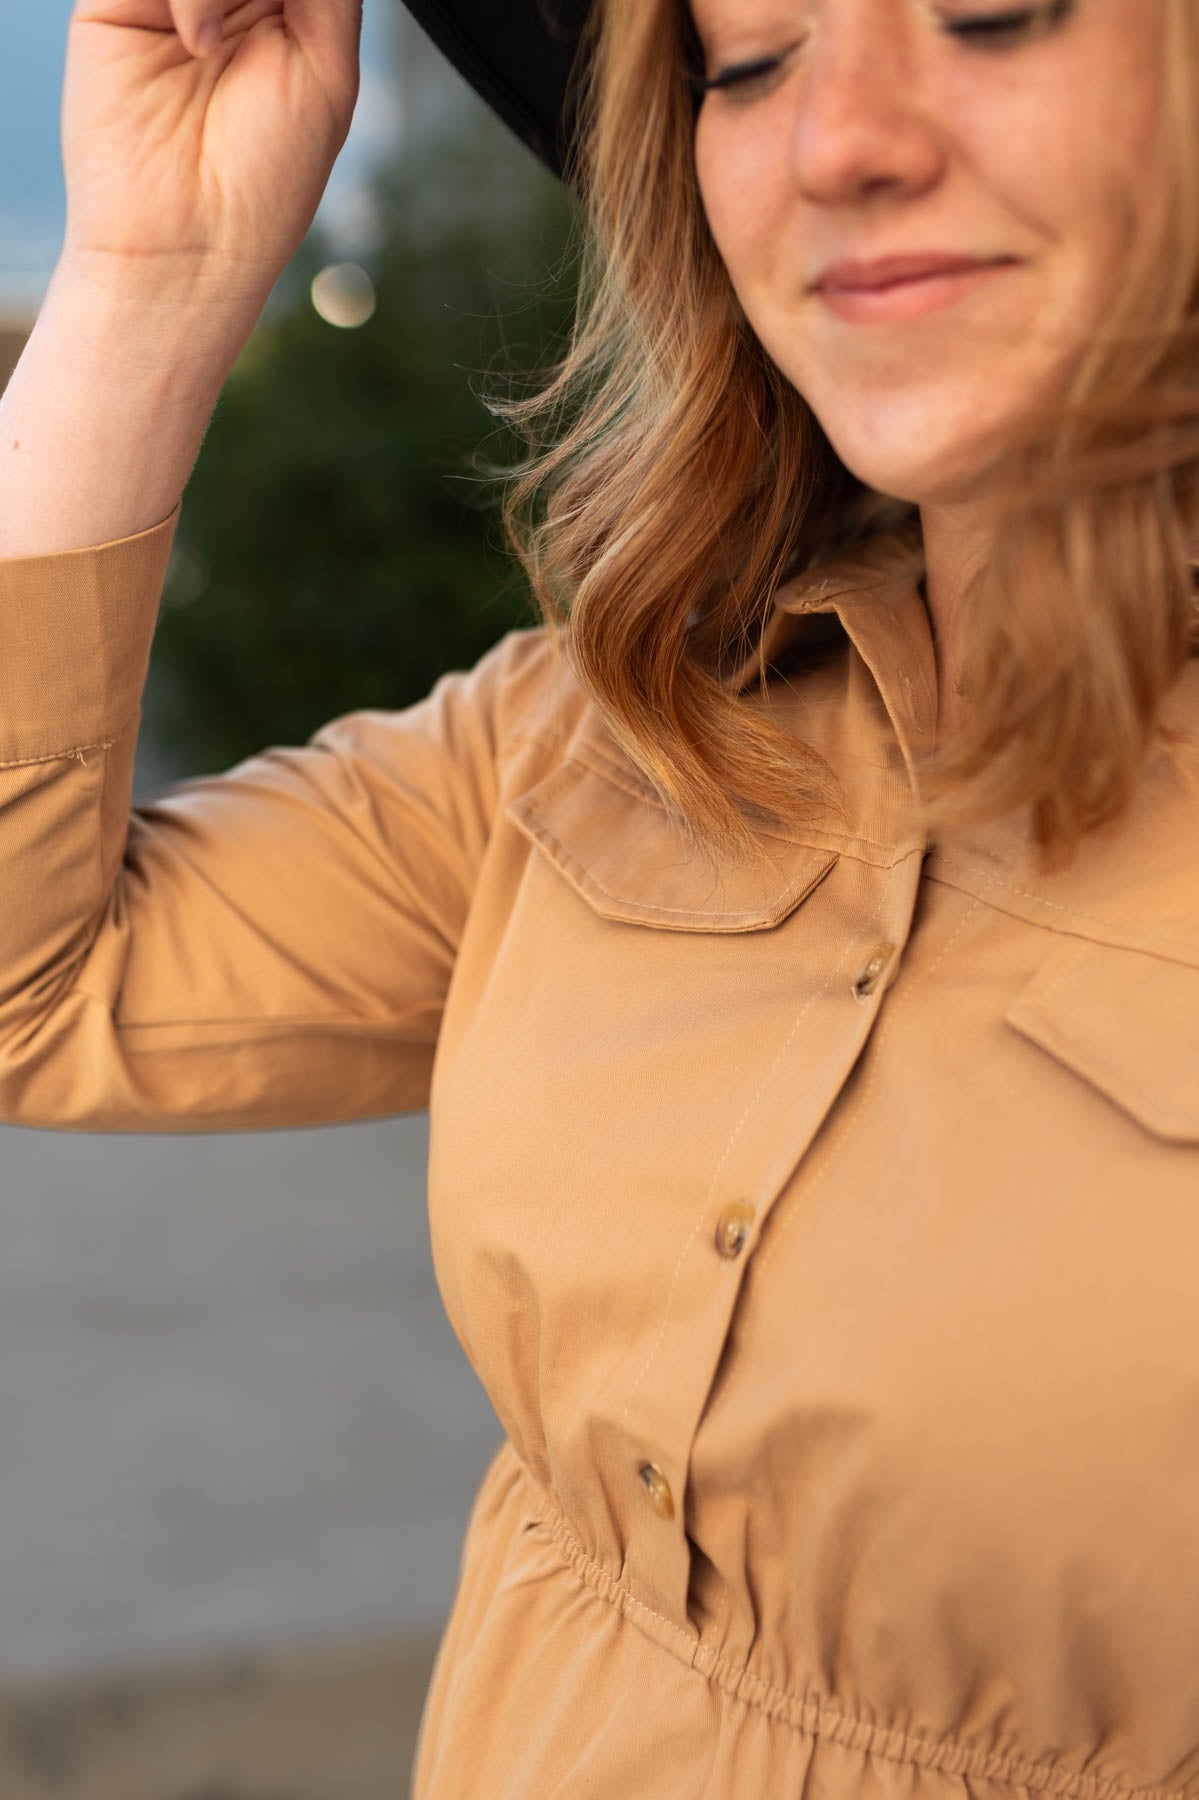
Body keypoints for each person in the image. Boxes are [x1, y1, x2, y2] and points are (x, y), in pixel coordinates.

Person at [2, 1, 1198, 1795]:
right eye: (751, 55)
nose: (837, 141)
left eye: (989, 12)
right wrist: (154, 277)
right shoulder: (602, 729)